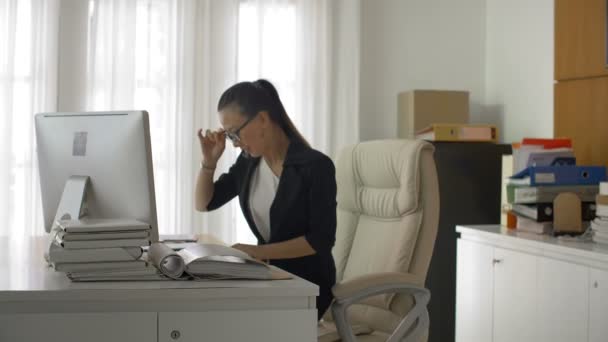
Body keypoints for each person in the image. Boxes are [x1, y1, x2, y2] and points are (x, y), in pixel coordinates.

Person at [194, 79, 337, 320]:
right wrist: (209, 163)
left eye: (235, 133)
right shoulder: (249, 163)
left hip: (308, 287)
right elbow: (205, 203)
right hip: (269, 278)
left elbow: (320, 240)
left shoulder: (316, 166)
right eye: (229, 136)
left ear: (262, 119)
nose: (235, 143)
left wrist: (256, 251)